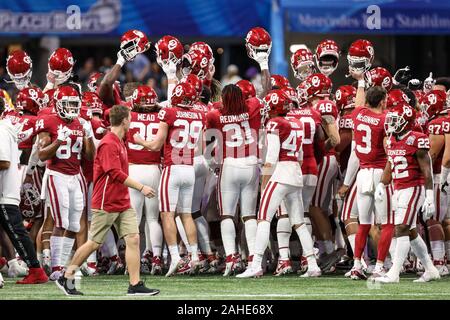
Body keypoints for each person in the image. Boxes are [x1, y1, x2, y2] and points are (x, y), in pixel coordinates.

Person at [56, 105, 160, 296]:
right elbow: (115, 173)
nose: (132, 122)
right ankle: (66, 276)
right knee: (94, 243)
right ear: (125, 121)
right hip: (106, 201)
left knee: (133, 238)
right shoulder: (109, 143)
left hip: (121, 200)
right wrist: (142, 187)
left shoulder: (120, 138)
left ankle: (135, 285)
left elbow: (133, 137)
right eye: (130, 118)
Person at [237, 89, 321, 278]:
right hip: (295, 173)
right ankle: (313, 265)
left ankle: (256, 264)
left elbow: (271, 158)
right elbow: (299, 156)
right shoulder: (297, 122)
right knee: (299, 223)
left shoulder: (274, 123)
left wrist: (264, 182)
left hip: (280, 173)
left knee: (263, 218)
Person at [374, 103, 440, 283]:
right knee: (409, 230)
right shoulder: (393, 139)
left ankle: (394, 273)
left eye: (396, 120)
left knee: (401, 228)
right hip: (399, 188)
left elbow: (427, 170)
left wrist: (429, 196)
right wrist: (382, 183)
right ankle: (431, 269)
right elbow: (390, 164)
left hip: (413, 188)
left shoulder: (417, 139)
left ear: (407, 121)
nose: (391, 124)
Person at [0, 117, 48, 287]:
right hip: (6, 189)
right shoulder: (5, 128)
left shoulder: (1, 130)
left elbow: (4, 162)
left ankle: (36, 270)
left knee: (16, 231)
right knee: (11, 230)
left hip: (4, 190)